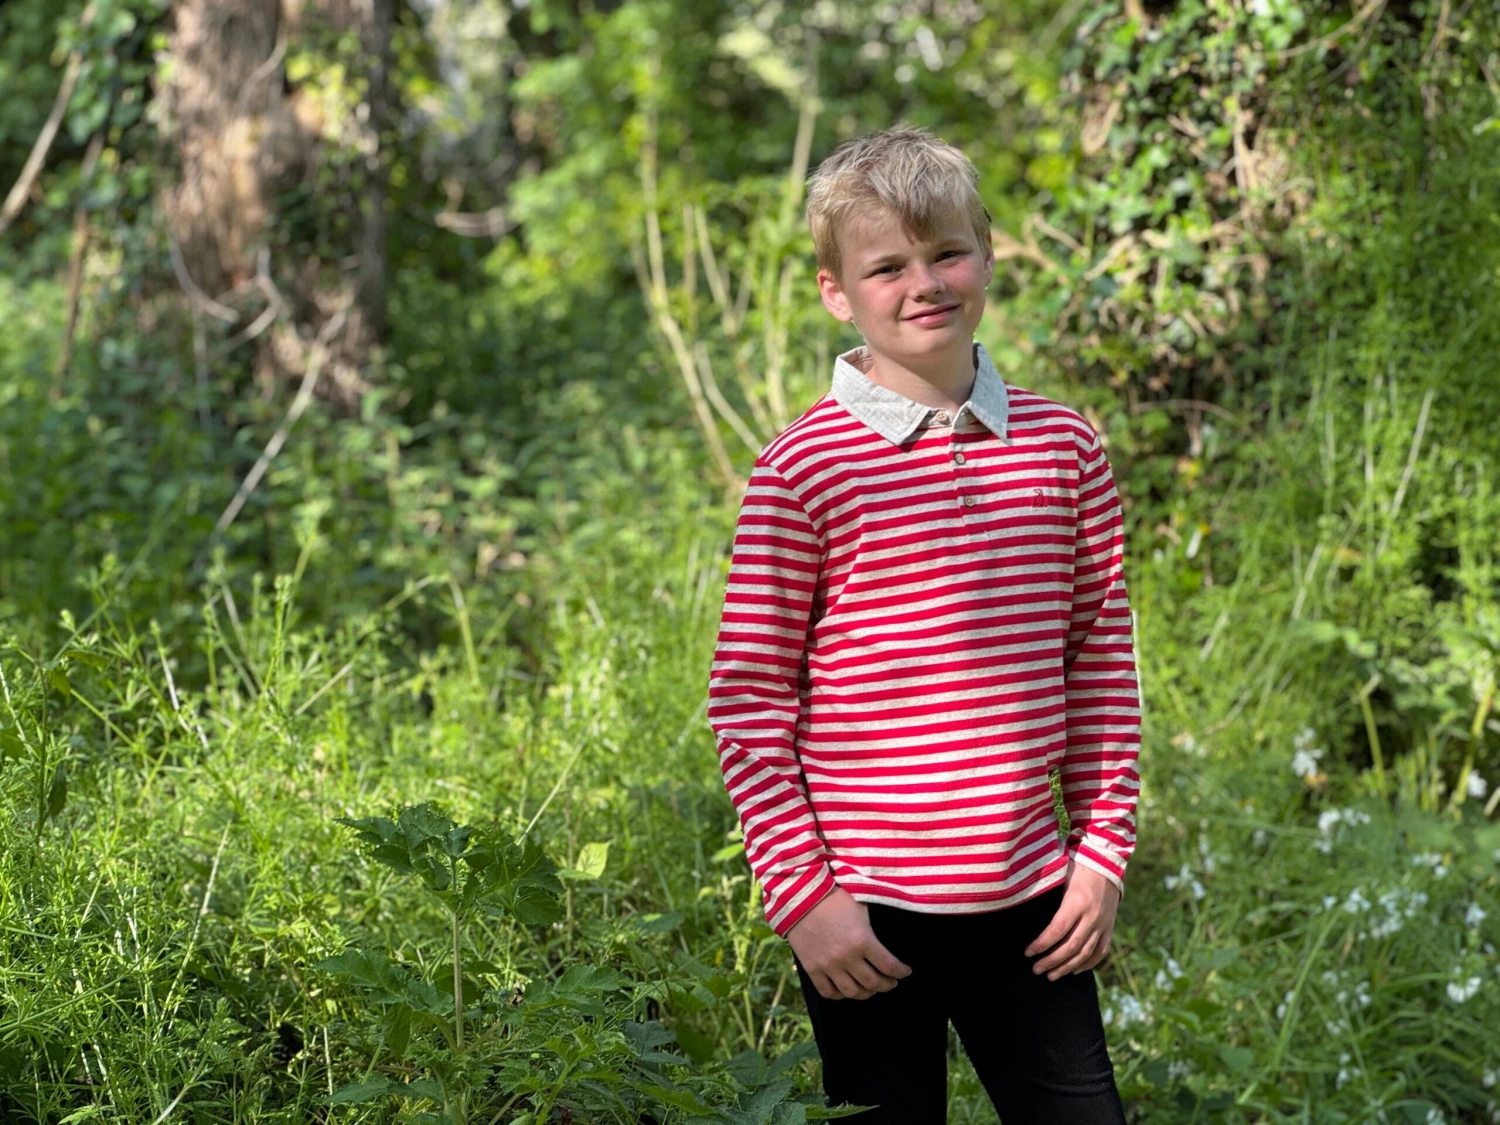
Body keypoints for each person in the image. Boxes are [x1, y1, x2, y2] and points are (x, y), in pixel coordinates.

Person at [705, 124, 1141, 1124]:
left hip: (1033, 895)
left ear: (987, 254)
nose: (925, 284)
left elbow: (1101, 666)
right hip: (865, 912)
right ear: (837, 292)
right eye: (887, 267)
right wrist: (803, 898)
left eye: (947, 253)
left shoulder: (1063, 446)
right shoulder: (804, 465)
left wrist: (1103, 855)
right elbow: (750, 697)